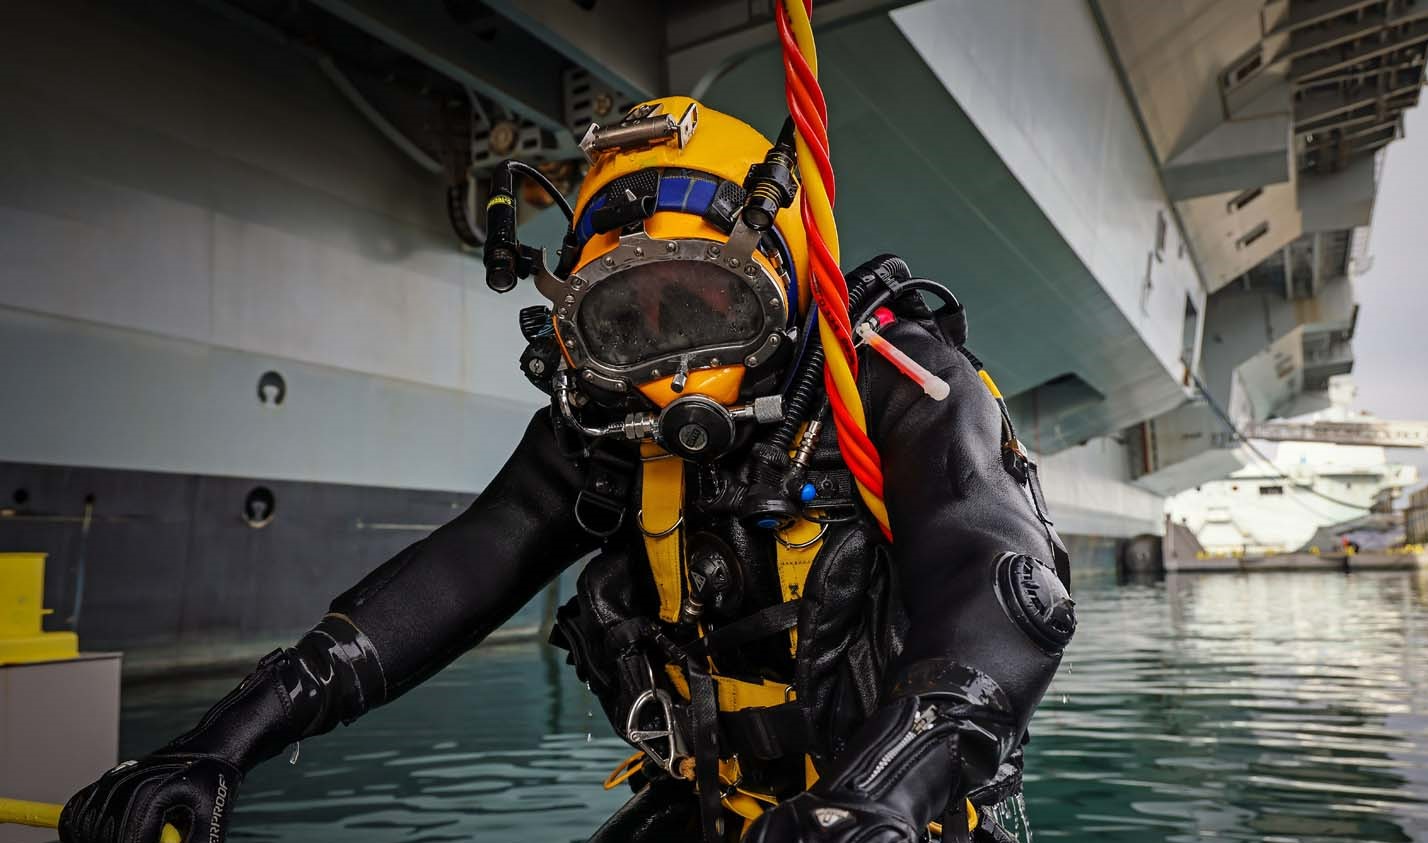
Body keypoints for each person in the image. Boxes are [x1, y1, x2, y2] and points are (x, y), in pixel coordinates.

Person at [58, 97, 1075, 843]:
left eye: (704, 308)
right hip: (709, 810)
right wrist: (218, 744)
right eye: (624, 324)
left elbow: (1011, 600)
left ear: (779, 277)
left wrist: (883, 798)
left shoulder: (896, 385)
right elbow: (448, 580)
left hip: (896, 817)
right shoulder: (606, 422)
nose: (672, 369)